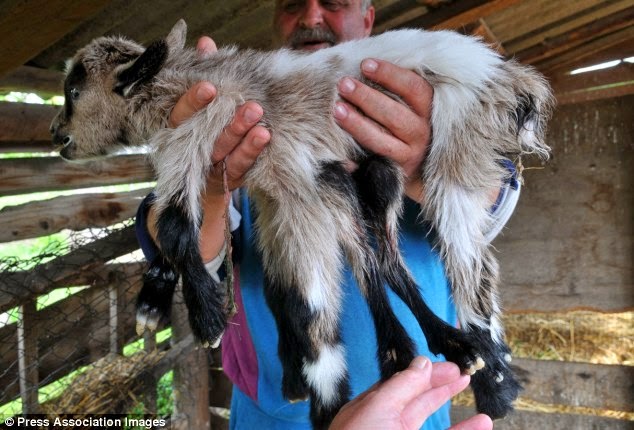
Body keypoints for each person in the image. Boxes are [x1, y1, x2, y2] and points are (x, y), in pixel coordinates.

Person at [135, 0, 518, 428]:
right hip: (272, 414)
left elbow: (495, 195)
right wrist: (206, 188)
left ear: (367, 17)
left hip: (415, 404)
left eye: (334, 2)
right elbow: (172, 234)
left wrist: (432, 161)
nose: (311, 17)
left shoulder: (416, 95)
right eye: (292, 4)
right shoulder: (238, 109)